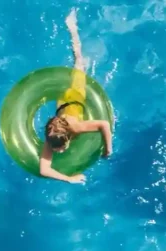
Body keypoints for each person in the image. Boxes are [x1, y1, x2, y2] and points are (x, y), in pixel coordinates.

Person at [39, 9, 113, 184]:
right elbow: (43, 170)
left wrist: (107, 149)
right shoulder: (51, 138)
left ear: (67, 138)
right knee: (75, 66)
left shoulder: (77, 127)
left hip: (76, 95)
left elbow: (104, 124)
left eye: (60, 149)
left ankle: (72, 27)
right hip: (62, 103)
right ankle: (71, 29)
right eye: (57, 150)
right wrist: (69, 179)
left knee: (79, 61)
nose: (58, 152)